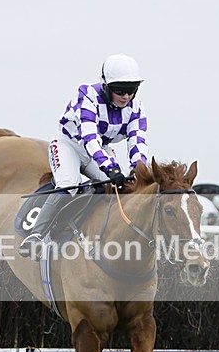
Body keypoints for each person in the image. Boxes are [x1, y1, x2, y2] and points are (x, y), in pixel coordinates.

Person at [19, 53, 149, 257]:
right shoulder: (88, 94)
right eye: (120, 90)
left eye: (131, 90)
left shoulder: (136, 108)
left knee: (117, 187)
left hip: (99, 149)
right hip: (69, 145)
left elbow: (137, 141)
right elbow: (90, 138)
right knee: (69, 183)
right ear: (105, 86)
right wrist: (111, 168)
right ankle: (36, 235)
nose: (126, 96)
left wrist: (139, 169)